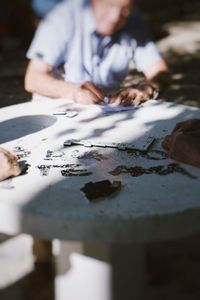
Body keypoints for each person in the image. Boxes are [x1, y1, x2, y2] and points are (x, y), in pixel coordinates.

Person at [25, 0, 169, 106]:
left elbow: (159, 70)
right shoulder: (62, 17)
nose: (115, 17)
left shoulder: (132, 20)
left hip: (107, 113)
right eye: (110, 5)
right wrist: (73, 91)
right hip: (55, 111)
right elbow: (32, 79)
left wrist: (146, 89)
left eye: (125, 10)